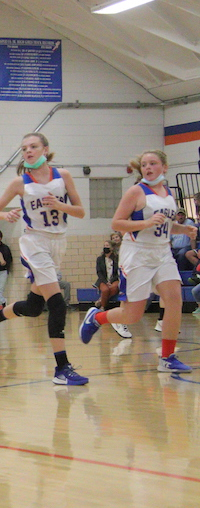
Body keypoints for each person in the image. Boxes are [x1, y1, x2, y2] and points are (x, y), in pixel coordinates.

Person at [0, 132, 88, 385]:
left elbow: (80, 212)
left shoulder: (63, 176)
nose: (28, 151)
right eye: (24, 148)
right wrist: (5, 216)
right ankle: (62, 368)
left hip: (58, 241)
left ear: (45, 150)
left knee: (34, 307)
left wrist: (61, 206)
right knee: (57, 304)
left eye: (33, 146)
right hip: (34, 242)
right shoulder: (20, 183)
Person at [79, 150, 196, 373]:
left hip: (162, 252)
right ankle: (97, 317)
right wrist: (146, 223)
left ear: (164, 167)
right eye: (144, 164)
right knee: (132, 314)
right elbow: (117, 223)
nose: (148, 167)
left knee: (174, 300)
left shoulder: (168, 193)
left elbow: (165, 225)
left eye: (153, 163)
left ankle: (167, 357)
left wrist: (184, 229)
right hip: (138, 253)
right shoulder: (136, 191)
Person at [94, 240, 132, 338]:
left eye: (107, 245)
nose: (105, 247)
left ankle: (101, 300)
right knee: (105, 290)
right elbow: (99, 272)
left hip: (114, 279)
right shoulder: (100, 259)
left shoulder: (116, 258)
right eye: (104, 245)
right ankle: (103, 308)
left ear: (111, 247)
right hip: (103, 280)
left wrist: (111, 281)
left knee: (114, 288)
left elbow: (118, 272)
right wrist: (105, 281)